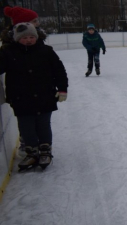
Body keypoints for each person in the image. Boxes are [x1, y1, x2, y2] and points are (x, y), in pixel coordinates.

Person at [0, 22, 69, 171]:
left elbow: (59, 70)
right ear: (17, 38)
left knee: (43, 124)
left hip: (45, 96)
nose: (29, 40)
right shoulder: (8, 53)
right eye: (24, 38)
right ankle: (32, 152)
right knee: (26, 127)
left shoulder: (46, 51)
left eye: (32, 37)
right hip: (20, 98)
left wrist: (63, 89)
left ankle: (45, 151)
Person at [1, 6, 48, 157]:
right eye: (34, 21)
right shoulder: (9, 47)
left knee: (41, 118)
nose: (38, 23)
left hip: (39, 86)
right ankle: (28, 144)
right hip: (20, 88)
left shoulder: (38, 39)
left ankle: (42, 144)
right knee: (26, 118)